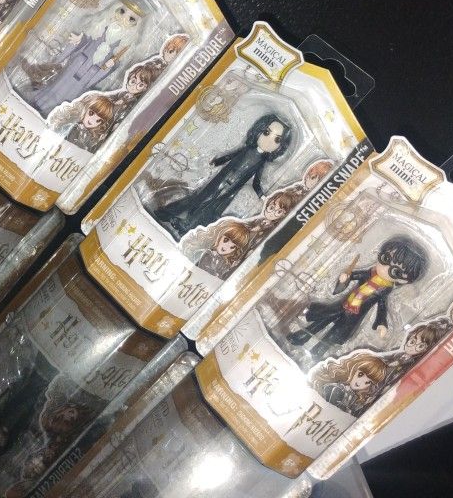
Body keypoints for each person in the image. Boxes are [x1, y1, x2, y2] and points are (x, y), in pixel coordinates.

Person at [150, 114, 294, 240]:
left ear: (280, 146)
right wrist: (216, 162)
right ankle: (167, 213)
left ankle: (187, 226)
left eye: (277, 140)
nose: (269, 140)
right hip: (219, 180)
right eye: (267, 132)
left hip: (231, 189)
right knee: (200, 198)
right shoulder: (247, 149)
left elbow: (256, 181)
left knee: (211, 208)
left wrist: (262, 196)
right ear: (259, 130)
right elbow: (230, 156)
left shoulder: (261, 162)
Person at [288, 235, 428, 359]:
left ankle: (317, 352)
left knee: (333, 336)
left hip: (354, 317)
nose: (385, 268)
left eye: (395, 272)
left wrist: (381, 323)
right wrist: (345, 278)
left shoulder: (384, 290)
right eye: (385, 259)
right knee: (323, 319)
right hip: (341, 305)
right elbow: (354, 275)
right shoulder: (369, 273)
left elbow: (382, 307)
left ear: (404, 280)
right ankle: (302, 335)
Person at [20, 0, 148, 117]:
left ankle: (51, 112)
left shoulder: (124, 46)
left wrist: (109, 66)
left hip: (90, 75)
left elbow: (111, 68)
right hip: (77, 64)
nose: (124, 18)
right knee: (58, 84)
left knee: (70, 94)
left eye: (132, 19)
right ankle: (39, 101)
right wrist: (79, 40)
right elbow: (86, 40)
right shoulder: (100, 28)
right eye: (122, 11)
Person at [311, 353, 388, 416]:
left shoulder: (354, 397)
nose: (360, 383)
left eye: (367, 382)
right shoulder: (337, 389)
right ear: (353, 368)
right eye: (360, 375)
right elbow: (331, 412)